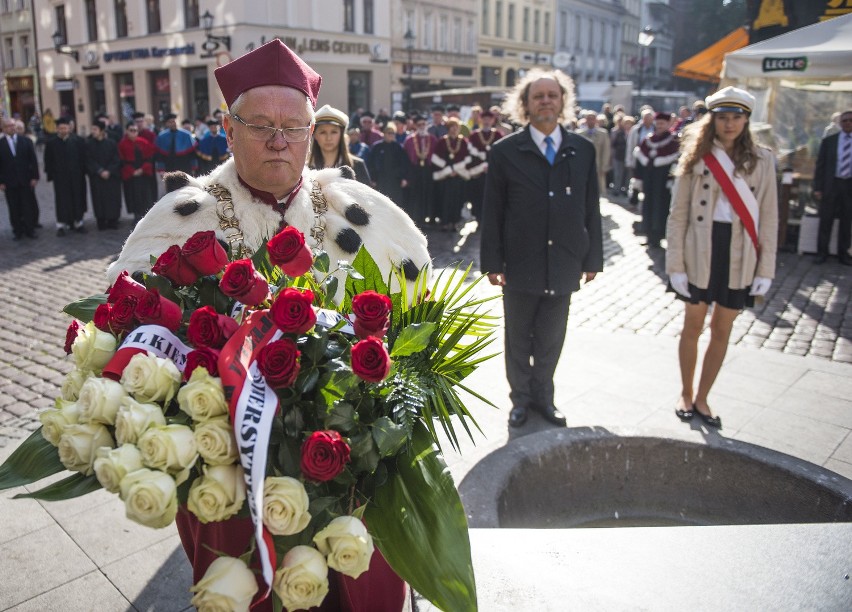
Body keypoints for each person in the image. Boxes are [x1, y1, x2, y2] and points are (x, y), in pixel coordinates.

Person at [107, 40, 430, 610]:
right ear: (228, 132)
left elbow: (413, 322)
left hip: (351, 468)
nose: (279, 140)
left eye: (294, 127)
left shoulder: (364, 212)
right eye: (260, 125)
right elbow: (127, 339)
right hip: (231, 471)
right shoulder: (183, 218)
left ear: (313, 133)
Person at [480, 68, 603, 429]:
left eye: (552, 95)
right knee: (518, 336)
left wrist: (592, 257)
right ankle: (520, 400)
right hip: (520, 261)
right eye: (538, 96)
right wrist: (492, 262)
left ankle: (544, 398)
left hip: (564, 259)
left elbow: (591, 207)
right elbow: (493, 211)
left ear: (563, 102)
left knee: (551, 338)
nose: (546, 101)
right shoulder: (505, 151)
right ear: (526, 105)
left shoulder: (582, 150)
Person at [666, 86, 778, 429]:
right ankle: (686, 393)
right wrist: (674, 265)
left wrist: (766, 268)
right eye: (723, 118)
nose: (729, 125)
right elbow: (678, 214)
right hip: (699, 248)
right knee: (693, 325)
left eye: (737, 118)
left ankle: (703, 397)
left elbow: (770, 215)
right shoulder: (696, 156)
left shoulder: (763, 159)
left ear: (746, 120)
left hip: (740, 251)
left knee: (722, 329)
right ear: (712, 120)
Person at [633, 111, 680, 249]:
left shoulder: (674, 141)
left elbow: (676, 163)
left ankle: (659, 236)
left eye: (662, 123)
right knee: (647, 205)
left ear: (668, 124)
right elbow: (640, 162)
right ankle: (648, 234)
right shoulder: (648, 140)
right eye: (658, 123)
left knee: (661, 208)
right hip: (649, 180)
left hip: (663, 182)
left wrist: (671, 179)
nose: (659, 126)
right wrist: (638, 179)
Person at [813, 109, 852, 265]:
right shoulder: (830, 141)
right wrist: (817, 187)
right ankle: (822, 253)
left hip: (849, 185)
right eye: (845, 120)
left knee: (846, 222)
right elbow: (820, 165)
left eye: (850, 120)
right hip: (831, 184)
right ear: (840, 123)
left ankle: (843, 254)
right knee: (825, 220)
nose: (848, 123)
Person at [44, 117, 88, 236]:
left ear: (69, 128)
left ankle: (78, 222)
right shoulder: (51, 143)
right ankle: (61, 225)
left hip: (76, 178)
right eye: (61, 128)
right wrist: (51, 175)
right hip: (60, 179)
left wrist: (83, 173)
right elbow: (48, 160)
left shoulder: (78, 141)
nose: (63, 130)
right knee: (62, 201)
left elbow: (83, 159)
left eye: (65, 127)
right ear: (57, 129)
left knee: (77, 199)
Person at [308, 104, 371, 185]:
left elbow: (367, 197)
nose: (328, 138)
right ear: (314, 135)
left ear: (341, 135)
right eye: (322, 132)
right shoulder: (306, 170)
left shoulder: (358, 166)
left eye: (334, 132)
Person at [0, 117, 40, 239]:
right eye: (8, 126)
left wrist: (35, 177)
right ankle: (17, 230)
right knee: (14, 207)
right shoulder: (1, 144)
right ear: (3, 129)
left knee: (27, 206)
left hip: (25, 180)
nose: (11, 128)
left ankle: (30, 229)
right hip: (9, 182)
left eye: (13, 126)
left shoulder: (25, 141)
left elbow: (33, 160)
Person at [430, 117, 471, 230]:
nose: (454, 129)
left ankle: (455, 222)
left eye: (456, 127)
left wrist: (456, 170)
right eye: (452, 127)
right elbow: (436, 159)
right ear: (448, 128)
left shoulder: (463, 142)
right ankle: (445, 222)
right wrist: (447, 170)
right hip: (445, 177)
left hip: (458, 176)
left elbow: (467, 159)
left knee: (457, 200)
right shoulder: (442, 141)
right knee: (444, 200)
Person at [466, 108, 504, 223]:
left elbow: (501, 154)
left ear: (493, 120)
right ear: (480, 120)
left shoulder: (498, 135)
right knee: (478, 196)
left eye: (489, 119)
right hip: (477, 172)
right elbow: (470, 154)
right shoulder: (474, 135)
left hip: (493, 172)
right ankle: (478, 218)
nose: (487, 121)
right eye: (484, 119)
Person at [85, 119, 123, 230]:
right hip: (97, 177)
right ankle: (101, 221)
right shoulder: (89, 144)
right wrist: (100, 171)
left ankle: (113, 220)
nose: (93, 131)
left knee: (112, 198)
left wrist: (109, 171)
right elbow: (88, 160)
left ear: (102, 131)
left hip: (111, 177)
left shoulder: (111, 143)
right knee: (98, 199)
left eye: (95, 129)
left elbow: (116, 159)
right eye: (92, 129)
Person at [402, 114, 438, 226]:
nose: (422, 126)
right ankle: (417, 218)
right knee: (416, 194)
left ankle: (428, 217)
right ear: (415, 126)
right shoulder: (409, 140)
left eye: (424, 124)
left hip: (428, 169)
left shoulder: (432, 139)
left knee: (428, 193)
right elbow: (405, 157)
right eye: (419, 125)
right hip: (415, 170)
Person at [117, 121, 156, 223]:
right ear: (127, 131)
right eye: (131, 131)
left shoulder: (144, 142)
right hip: (131, 174)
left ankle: (145, 215)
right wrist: (131, 171)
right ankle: (136, 215)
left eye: (135, 131)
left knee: (145, 195)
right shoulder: (122, 144)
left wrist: (142, 169)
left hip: (143, 173)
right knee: (133, 195)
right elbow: (122, 161)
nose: (134, 133)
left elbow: (150, 158)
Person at [368, 123, 409, 205]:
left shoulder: (398, 147)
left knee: (395, 203)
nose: (391, 135)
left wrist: (404, 178)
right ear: (384, 133)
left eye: (393, 133)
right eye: (389, 133)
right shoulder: (377, 147)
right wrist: (373, 179)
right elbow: (371, 164)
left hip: (395, 181)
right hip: (380, 180)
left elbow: (404, 164)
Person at [576, 110, 611, 197]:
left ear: (596, 120)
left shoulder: (603, 133)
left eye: (592, 119)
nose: (590, 121)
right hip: (583, 165)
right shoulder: (579, 133)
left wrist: (604, 166)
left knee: (597, 189)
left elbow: (606, 151)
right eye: (588, 119)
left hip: (598, 165)